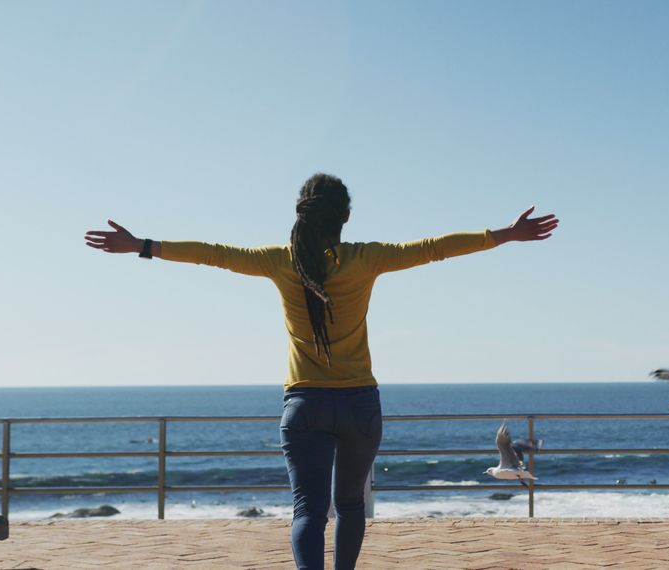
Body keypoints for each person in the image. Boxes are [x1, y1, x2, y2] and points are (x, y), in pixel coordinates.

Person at [83, 173, 559, 569]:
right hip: (359, 406)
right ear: (344, 217)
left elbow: (213, 253)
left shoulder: (279, 261)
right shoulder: (364, 258)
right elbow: (434, 247)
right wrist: (505, 235)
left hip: (305, 405)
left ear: (300, 214)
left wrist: (141, 245)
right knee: (350, 506)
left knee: (308, 511)